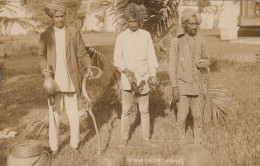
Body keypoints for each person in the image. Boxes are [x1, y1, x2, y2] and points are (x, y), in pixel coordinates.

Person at [38, 0, 93, 156]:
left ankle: (75, 145)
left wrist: (88, 66)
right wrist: (44, 69)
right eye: (57, 17)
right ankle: (54, 147)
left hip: (71, 80)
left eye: (62, 16)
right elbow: (41, 56)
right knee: (54, 114)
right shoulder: (45, 35)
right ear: (52, 18)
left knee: (73, 114)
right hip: (53, 82)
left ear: (65, 16)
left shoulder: (73, 33)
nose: (60, 19)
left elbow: (82, 53)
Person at [113, 2, 158, 148]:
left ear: (139, 20)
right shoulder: (122, 37)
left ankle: (146, 138)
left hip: (144, 77)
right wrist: (125, 70)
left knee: (144, 110)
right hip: (127, 78)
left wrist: (152, 74)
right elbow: (117, 59)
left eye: (135, 21)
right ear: (126, 21)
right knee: (126, 109)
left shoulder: (145, 36)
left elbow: (151, 56)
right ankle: (124, 138)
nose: (133, 24)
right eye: (130, 21)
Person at [169, 8, 210, 148]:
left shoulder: (201, 41)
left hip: (197, 84)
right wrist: (174, 87)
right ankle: (181, 143)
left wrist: (202, 63)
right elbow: (172, 65)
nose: (194, 27)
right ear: (184, 24)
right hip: (182, 85)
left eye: (196, 24)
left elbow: (207, 59)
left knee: (198, 117)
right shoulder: (177, 42)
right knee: (181, 117)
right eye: (191, 24)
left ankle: (198, 143)